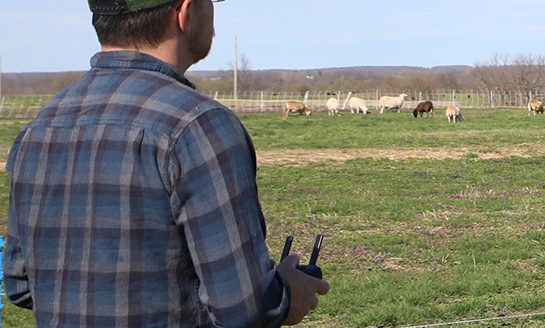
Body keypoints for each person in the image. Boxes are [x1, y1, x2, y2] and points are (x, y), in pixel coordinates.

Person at [3, 0, 329, 326]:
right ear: (185, 13)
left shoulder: (38, 128)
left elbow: (20, 284)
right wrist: (286, 292)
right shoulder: (199, 126)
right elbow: (243, 307)